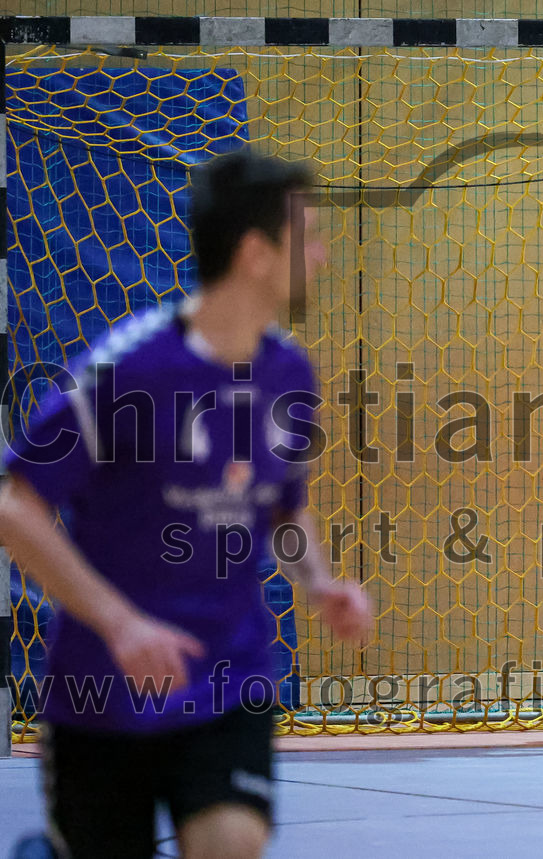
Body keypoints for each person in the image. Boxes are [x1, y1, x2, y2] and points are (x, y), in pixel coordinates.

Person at [0, 149, 373, 857]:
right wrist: (120, 622)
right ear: (257, 253)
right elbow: (15, 505)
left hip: (229, 675)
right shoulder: (129, 370)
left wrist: (321, 584)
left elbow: (283, 509)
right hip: (104, 688)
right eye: (310, 239)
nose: (322, 256)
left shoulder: (289, 373)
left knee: (232, 842)